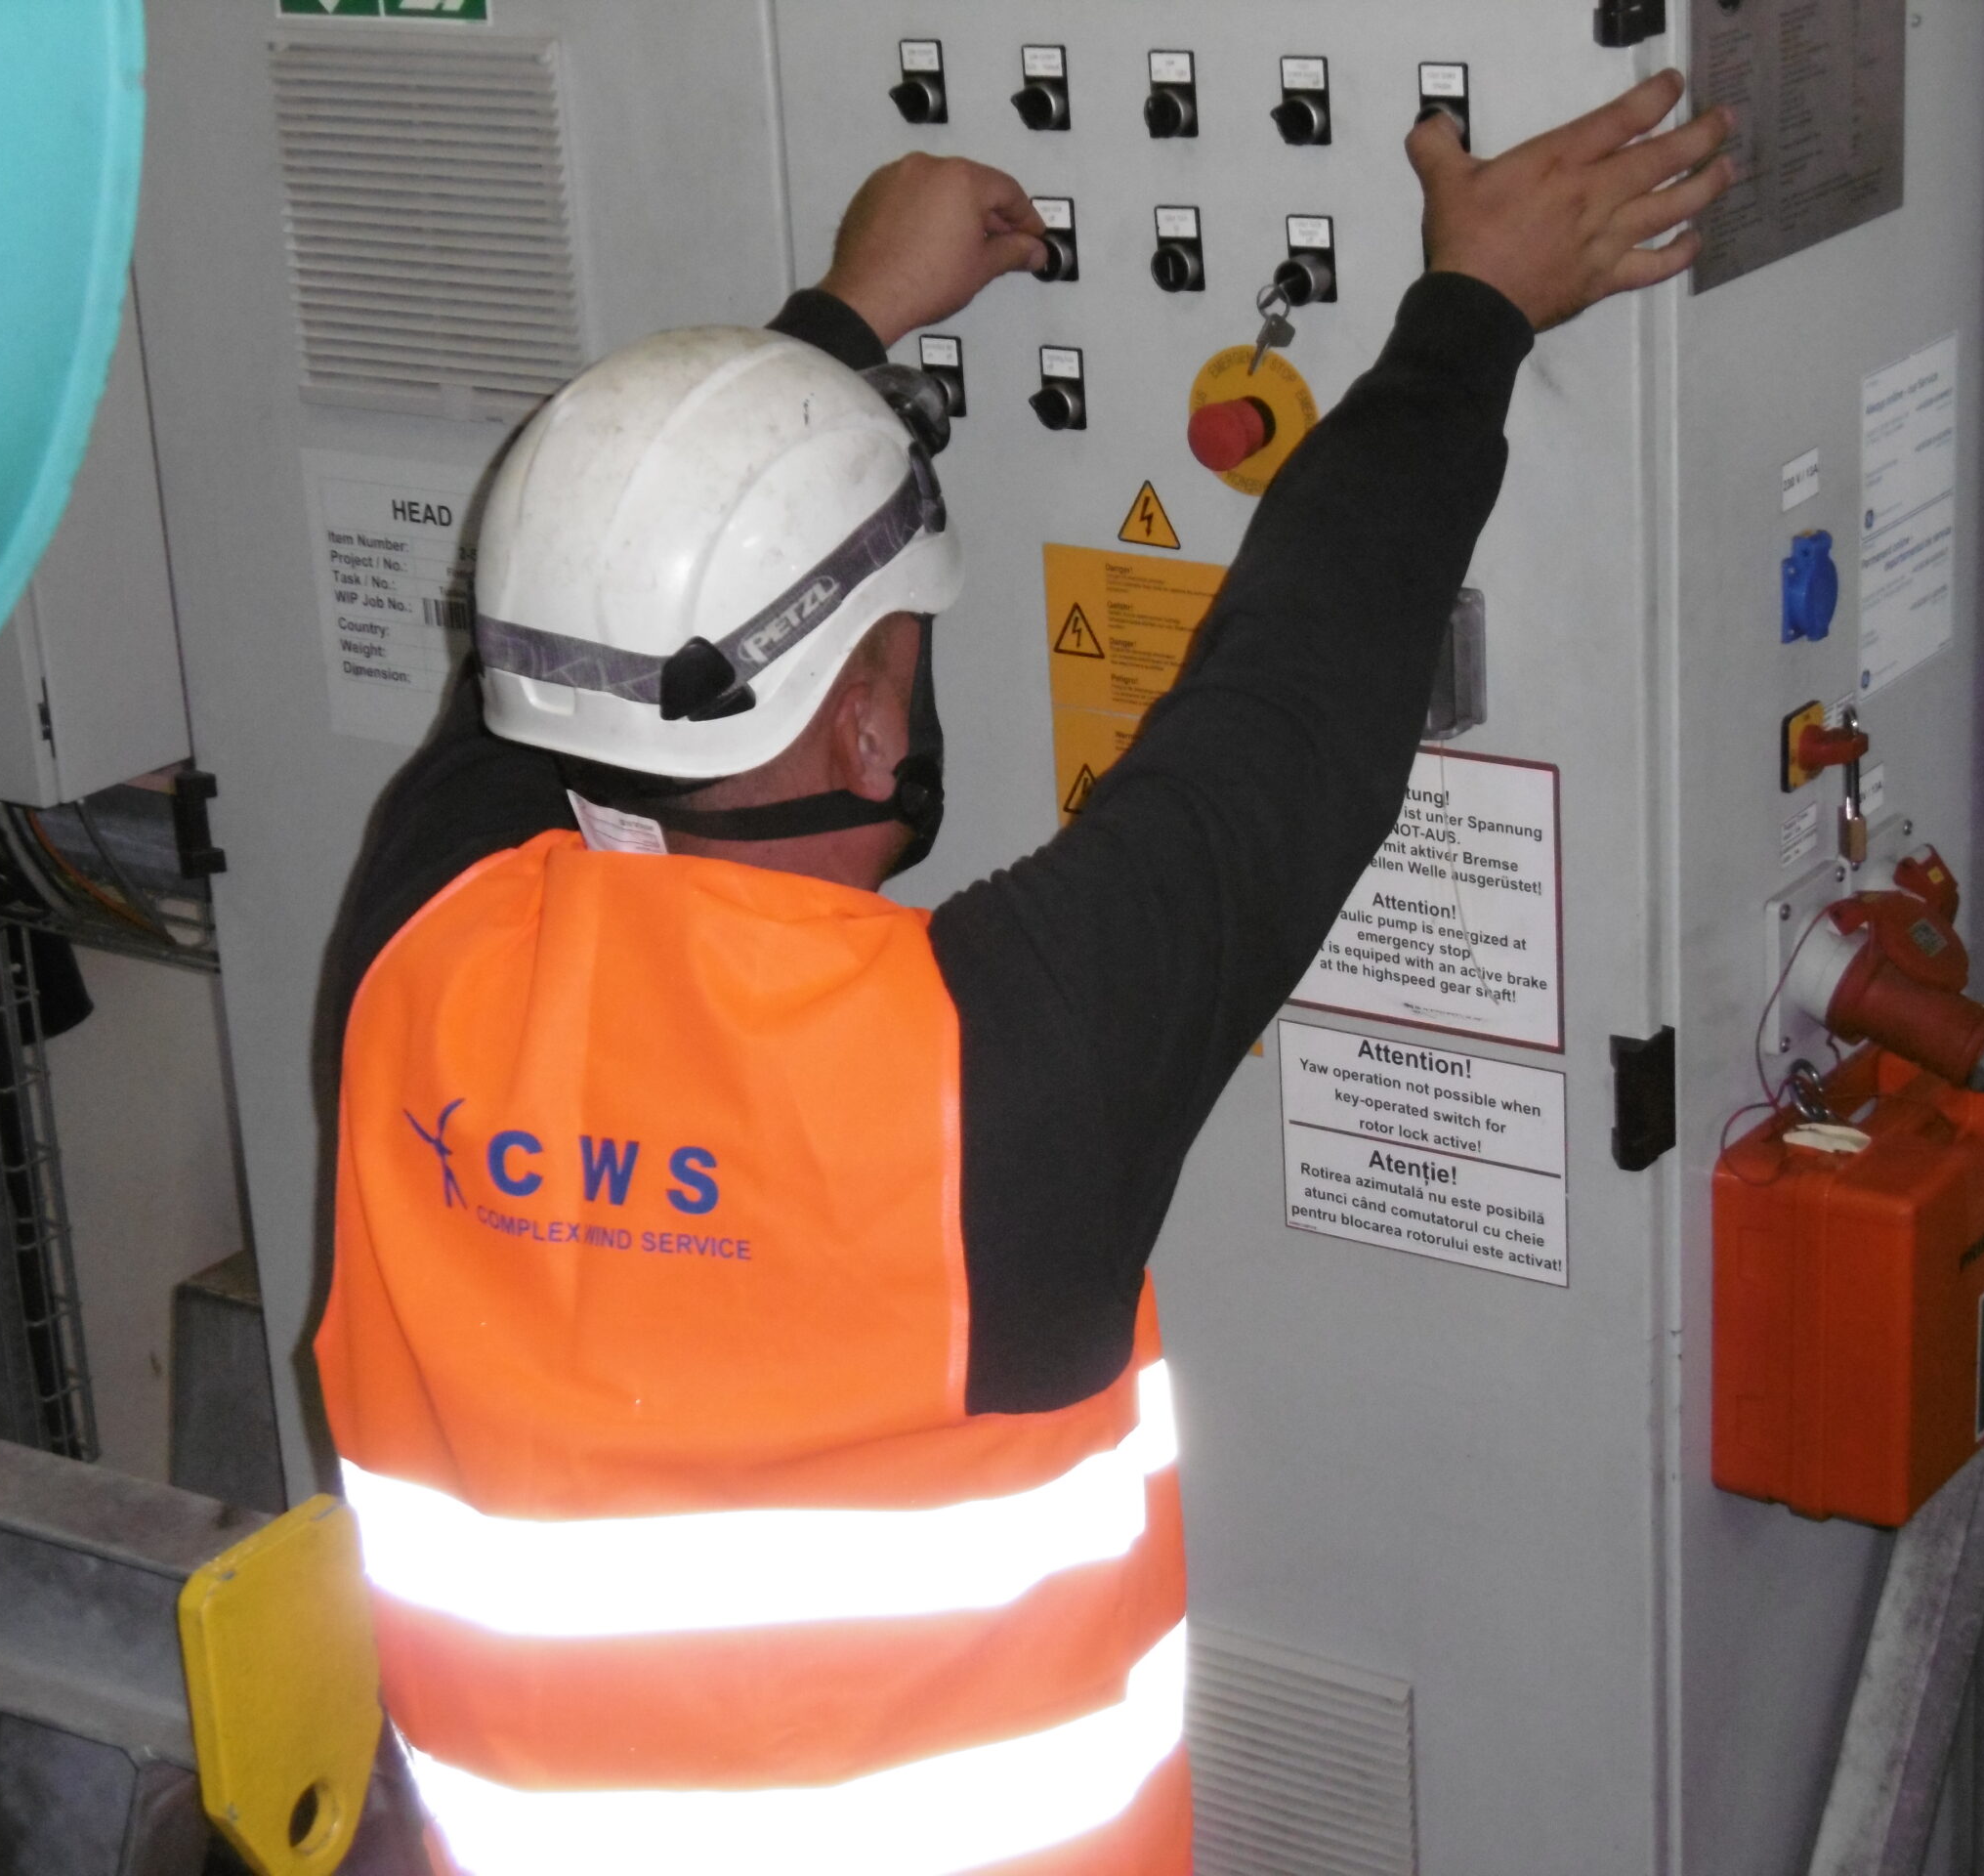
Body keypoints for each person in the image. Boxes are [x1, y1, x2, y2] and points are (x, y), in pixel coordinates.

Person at [315, 72, 1732, 1876]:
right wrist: (1472, 311)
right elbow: (1294, 702)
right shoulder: (990, 1072)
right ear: (871, 714)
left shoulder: (416, 948)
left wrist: (849, 325)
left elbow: (575, 642)